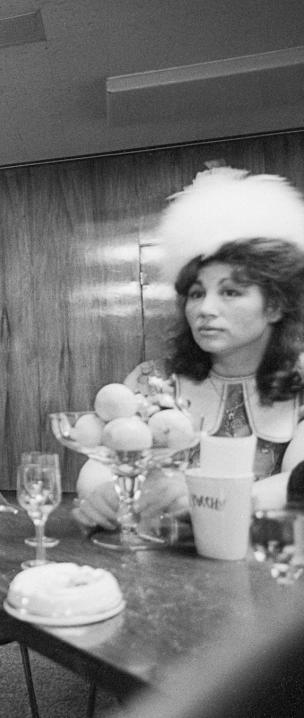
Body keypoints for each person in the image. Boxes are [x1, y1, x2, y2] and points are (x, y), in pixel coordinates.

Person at [74, 167, 304, 530]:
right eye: (196, 293)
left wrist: (203, 496)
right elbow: (102, 462)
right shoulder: (154, 380)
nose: (205, 309)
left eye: (230, 291)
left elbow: (296, 483)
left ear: (275, 306)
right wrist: (106, 495)